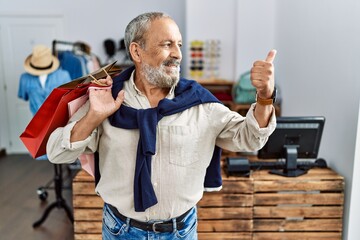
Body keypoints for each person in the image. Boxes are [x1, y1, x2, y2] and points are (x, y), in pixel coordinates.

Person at [47, 12, 277, 240]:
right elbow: (56, 153)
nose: (177, 54)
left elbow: (251, 138)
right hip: (119, 230)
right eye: (167, 44)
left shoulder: (199, 102)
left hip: (181, 232)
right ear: (137, 51)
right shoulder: (105, 98)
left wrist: (265, 96)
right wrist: (93, 117)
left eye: (178, 45)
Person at [19, 44, 71, 160]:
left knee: (60, 152)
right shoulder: (25, 78)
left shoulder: (63, 75)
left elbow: (69, 99)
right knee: (44, 152)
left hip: (60, 123)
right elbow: (24, 95)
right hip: (38, 125)